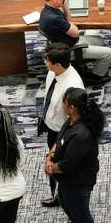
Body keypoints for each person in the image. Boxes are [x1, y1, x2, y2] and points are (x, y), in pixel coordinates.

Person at [45, 88, 102, 223]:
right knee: (68, 207)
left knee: (81, 214)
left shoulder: (82, 134)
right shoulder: (71, 121)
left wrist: (51, 168)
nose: (61, 105)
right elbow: (59, 140)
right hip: (66, 181)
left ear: (71, 107)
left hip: (78, 181)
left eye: (63, 102)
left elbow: (67, 165)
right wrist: (50, 154)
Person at [37, 44, 85, 208]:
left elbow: (76, 118)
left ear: (58, 64)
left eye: (47, 60)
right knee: (53, 162)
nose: (45, 62)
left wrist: (63, 139)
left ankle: (72, 203)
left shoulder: (72, 85)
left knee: (65, 167)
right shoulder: (53, 72)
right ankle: (56, 195)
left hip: (64, 132)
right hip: (52, 126)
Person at [38, 0, 111, 80]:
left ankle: (87, 64)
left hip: (62, 43)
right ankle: (95, 77)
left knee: (99, 40)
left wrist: (65, 7)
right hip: (70, 50)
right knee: (109, 53)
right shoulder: (55, 18)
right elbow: (76, 32)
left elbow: (68, 23)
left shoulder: (48, 11)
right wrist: (71, 25)